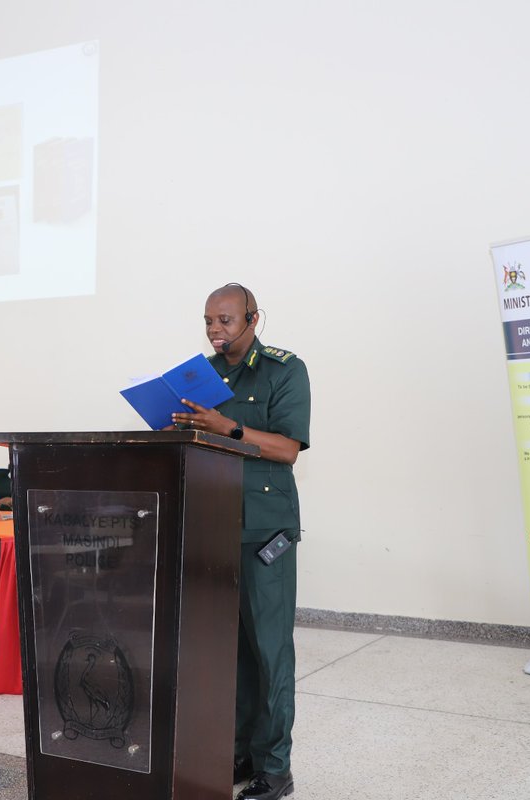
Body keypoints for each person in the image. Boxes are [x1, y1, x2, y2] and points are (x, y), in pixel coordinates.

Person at [171, 283, 310, 800]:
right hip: (214, 521)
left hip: (264, 529)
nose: (214, 330)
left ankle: (276, 769)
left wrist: (228, 428)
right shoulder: (204, 377)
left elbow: (288, 449)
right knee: (230, 653)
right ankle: (241, 752)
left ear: (253, 318)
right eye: (208, 321)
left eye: (225, 321)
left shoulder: (284, 369)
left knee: (270, 652)